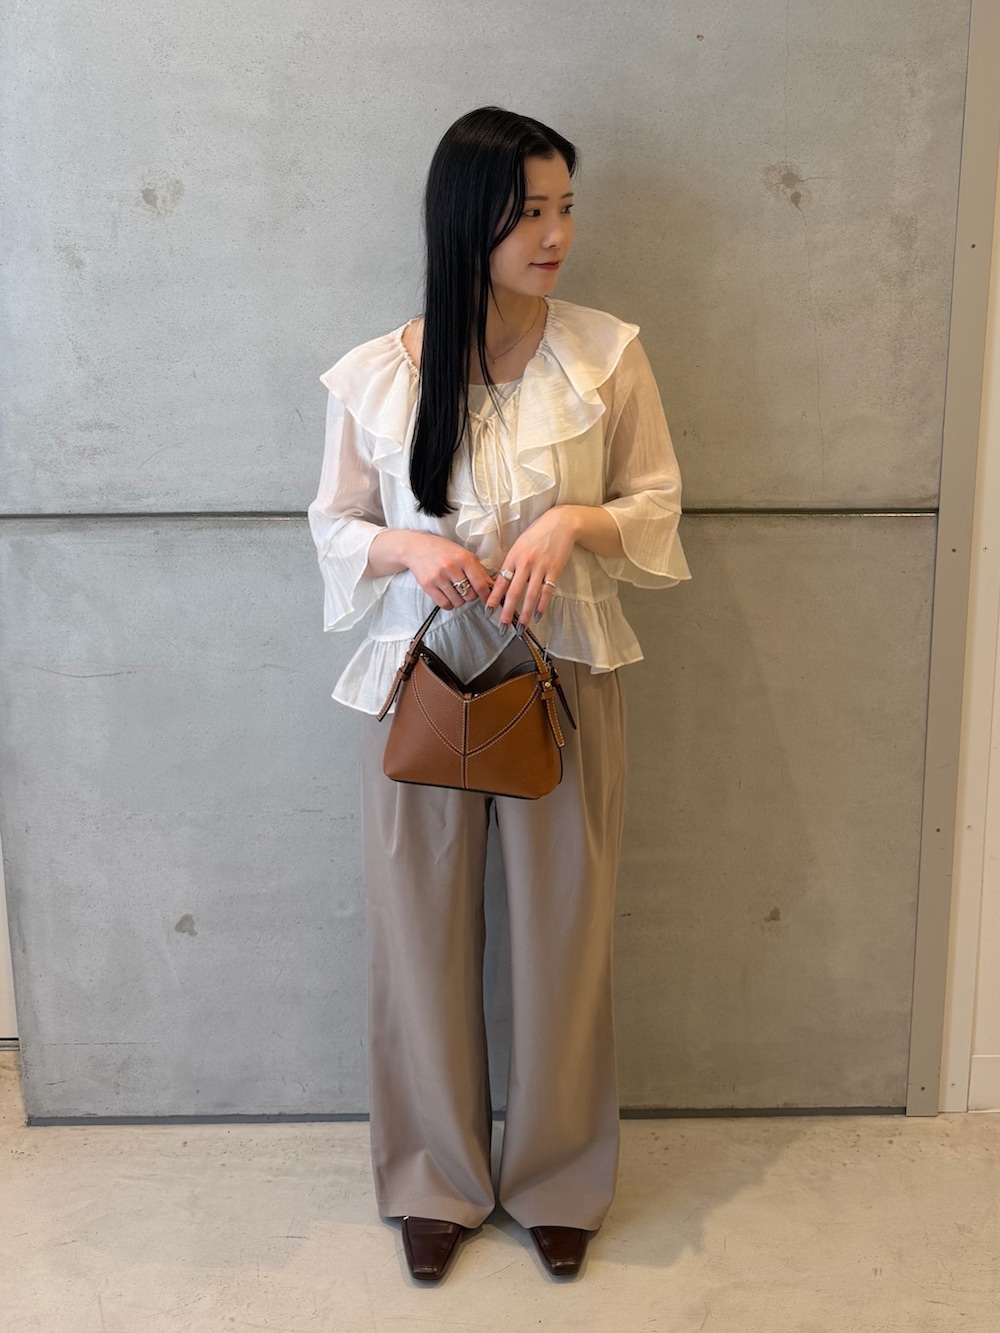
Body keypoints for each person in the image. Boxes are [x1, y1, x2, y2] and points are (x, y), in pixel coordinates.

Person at [308, 106, 691, 1283]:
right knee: (418, 934)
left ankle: (558, 1176)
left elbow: (656, 504)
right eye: (529, 211)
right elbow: (334, 524)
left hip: (558, 669)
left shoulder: (605, 355)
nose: (555, 233)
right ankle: (435, 1175)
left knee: (564, 933)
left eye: (565, 206)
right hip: (420, 676)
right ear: (465, 218)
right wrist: (411, 549)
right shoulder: (380, 373)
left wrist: (573, 521)